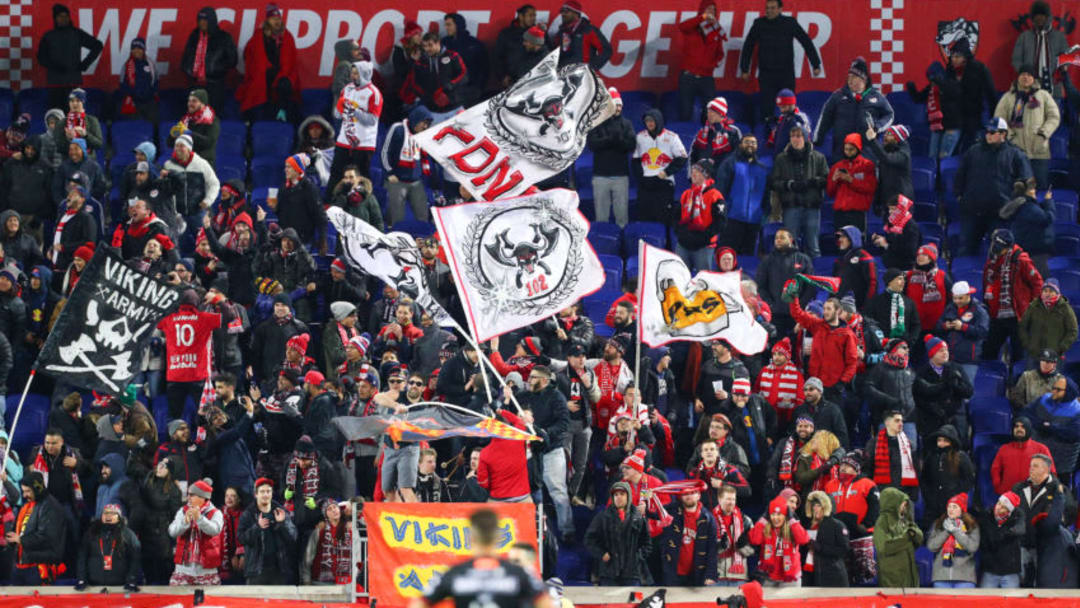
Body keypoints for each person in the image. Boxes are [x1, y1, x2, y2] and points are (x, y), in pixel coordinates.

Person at [413, 509, 549, 608]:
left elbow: (419, 603)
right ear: (498, 537)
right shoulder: (519, 573)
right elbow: (545, 603)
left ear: (470, 538)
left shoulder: (454, 573)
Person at [954, 119, 1033, 256]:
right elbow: (960, 175)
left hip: (999, 214)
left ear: (1003, 134)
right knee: (965, 249)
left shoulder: (1015, 154)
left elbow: (1027, 180)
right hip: (973, 211)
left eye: (992, 132)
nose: (988, 135)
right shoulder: (974, 151)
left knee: (999, 255)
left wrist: (1012, 206)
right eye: (987, 132)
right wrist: (960, 196)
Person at [738, 0, 822, 122]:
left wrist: (815, 64)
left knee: (790, 110)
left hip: (786, 74)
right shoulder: (759, 24)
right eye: (767, 8)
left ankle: (789, 136)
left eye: (772, 8)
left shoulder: (789, 23)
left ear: (780, 9)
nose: (769, 11)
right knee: (766, 111)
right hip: (767, 75)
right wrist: (744, 69)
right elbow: (748, 46)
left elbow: (806, 41)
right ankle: (767, 137)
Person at [518, 366, 574, 542]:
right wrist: (505, 396)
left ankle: (567, 530)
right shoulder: (525, 395)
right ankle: (530, 529)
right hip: (530, 453)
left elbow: (564, 423)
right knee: (529, 492)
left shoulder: (557, 397)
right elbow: (510, 405)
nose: (529, 380)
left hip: (551, 451)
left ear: (544, 381)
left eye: (533, 377)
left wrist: (544, 434)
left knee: (558, 491)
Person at [1014, 454, 1077, 588]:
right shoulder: (1019, 488)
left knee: (1042, 585)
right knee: (1021, 585)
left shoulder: (1059, 489)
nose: (1031, 469)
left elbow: (1070, 511)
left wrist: (1056, 522)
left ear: (1046, 470)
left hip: (1046, 548)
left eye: (1035, 466)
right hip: (1022, 544)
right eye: (1030, 466)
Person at [994, 65, 1060, 189]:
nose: (1026, 77)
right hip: (1015, 151)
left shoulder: (1043, 95)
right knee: (1016, 191)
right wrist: (1010, 136)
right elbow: (999, 119)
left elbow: (1054, 117)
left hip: (1039, 153)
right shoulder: (1008, 97)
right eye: (1023, 74)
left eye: (1029, 75)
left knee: (1040, 189)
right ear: (1018, 77)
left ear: (1034, 79)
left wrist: (1043, 134)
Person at [814, 58, 894, 160]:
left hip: (867, 155)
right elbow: (824, 119)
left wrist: (877, 128)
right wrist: (817, 141)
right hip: (841, 153)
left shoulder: (877, 96)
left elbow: (889, 115)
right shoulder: (837, 96)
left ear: (864, 79)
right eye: (849, 76)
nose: (850, 80)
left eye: (854, 77)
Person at [982, 228, 1043, 361]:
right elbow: (987, 281)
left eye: (1001, 248)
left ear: (1008, 247)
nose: (997, 250)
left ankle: (1015, 380)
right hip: (997, 314)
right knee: (988, 351)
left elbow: (1037, 283)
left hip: (1017, 316)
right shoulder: (991, 259)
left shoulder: (1021, 260)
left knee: (1018, 355)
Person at [770, 126, 829, 258]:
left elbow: (827, 179)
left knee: (813, 246)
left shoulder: (819, 157)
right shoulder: (781, 158)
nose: (795, 139)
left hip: (812, 207)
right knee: (790, 245)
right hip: (791, 206)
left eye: (799, 136)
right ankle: (790, 275)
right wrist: (790, 185)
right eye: (792, 136)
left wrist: (813, 182)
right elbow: (774, 182)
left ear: (806, 138)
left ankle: (814, 276)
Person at [786, 294, 857, 402]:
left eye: (829, 309)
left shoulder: (847, 335)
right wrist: (794, 297)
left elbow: (852, 362)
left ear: (838, 311)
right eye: (824, 309)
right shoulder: (818, 325)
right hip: (814, 384)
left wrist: (841, 383)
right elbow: (798, 314)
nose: (825, 312)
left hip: (833, 389)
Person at [237, 4, 300, 122]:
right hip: (265, 75)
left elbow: (291, 62)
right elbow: (248, 54)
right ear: (267, 20)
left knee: (285, 83)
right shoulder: (258, 37)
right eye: (273, 18)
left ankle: (283, 113)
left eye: (278, 18)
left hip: (282, 77)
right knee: (256, 86)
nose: (277, 21)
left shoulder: (287, 37)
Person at [582, 480, 650, 585]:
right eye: (615, 494)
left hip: (632, 573)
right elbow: (589, 540)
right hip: (608, 572)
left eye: (622, 494)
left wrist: (637, 556)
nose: (618, 497)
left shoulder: (638, 517)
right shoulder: (602, 517)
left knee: (632, 601)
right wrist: (601, 553)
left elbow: (647, 543)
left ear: (628, 496)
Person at [36, 4, 104, 108]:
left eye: (66, 16)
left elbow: (98, 45)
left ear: (69, 18)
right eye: (60, 16)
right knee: (57, 118)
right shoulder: (48, 36)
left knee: (74, 119)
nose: (63, 19)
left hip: (73, 84)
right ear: (55, 19)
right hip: (55, 85)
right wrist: (55, 66)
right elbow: (41, 58)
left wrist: (85, 64)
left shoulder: (76, 34)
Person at [587, 88, 636, 227]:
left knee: (622, 218)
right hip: (600, 176)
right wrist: (611, 140)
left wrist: (616, 141)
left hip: (620, 177)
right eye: (616, 105)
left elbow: (631, 145)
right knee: (601, 217)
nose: (618, 108)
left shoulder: (626, 124)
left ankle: (621, 245)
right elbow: (592, 144)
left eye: (620, 105)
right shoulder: (597, 122)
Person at [330, 60, 382, 189]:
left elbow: (372, 120)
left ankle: (362, 205)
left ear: (365, 74)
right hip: (344, 140)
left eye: (356, 74)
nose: (353, 76)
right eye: (352, 73)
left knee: (361, 177)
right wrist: (339, 109)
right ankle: (331, 203)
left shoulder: (373, 93)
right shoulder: (347, 89)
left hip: (364, 143)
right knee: (336, 174)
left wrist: (353, 111)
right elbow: (337, 114)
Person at [9, 472, 67, 585]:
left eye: (28, 491)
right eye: (23, 491)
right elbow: (20, 531)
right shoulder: (28, 505)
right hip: (21, 565)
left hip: (39, 567)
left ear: (37, 488)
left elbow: (47, 537)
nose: (24, 495)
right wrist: (10, 539)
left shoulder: (51, 506)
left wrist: (21, 540)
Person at [237, 478, 297, 584]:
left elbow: (293, 538)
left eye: (268, 491)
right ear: (256, 494)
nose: (266, 494)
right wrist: (257, 527)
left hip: (279, 569)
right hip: (256, 570)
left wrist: (281, 524)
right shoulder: (248, 514)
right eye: (262, 492)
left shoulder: (281, 512)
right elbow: (241, 538)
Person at [380, 105, 434, 225]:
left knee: (423, 216)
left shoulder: (423, 135)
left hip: (415, 181)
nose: (425, 127)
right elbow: (384, 152)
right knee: (396, 219)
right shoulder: (398, 129)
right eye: (423, 123)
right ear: (416, 119)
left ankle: (422, 239)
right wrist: (389, 173)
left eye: (428, 124)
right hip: (397, 180)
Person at [715, 134, 768, 255]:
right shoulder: (730, 163)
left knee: (747, 258)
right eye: (747, 142)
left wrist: (763, 212)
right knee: (727, 255)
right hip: (732, 219)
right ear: (740, 145)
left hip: (754, 221)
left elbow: (766, 194)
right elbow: (720, 190)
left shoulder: (762, 169)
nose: (750, 145)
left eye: (753, 142)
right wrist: (725, 211)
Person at [634, 109, 688, 225]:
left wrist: (666, 172)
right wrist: (641, 178)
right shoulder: (639, 137)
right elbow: (635, 161)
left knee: (664, 218)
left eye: (652, 120)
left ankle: (665, 242)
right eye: (647, 120)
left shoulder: (672, 137)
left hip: (664, 182)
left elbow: (682, 158)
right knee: (644, 217)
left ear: (658, 121)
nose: (650, 123)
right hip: (646, 183)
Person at [914, 337, 974, 440]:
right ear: (932, 354)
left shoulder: (956, 368)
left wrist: (955, 385)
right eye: (941, 351)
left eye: (946, 350)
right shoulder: (922, 373)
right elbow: (919, 398)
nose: (945, 353)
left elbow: (969, 392)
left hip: (955, 418)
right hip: (932, 421)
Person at [180, 7, 238, 112]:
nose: (202, 23)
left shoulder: (224, 37)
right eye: (200, 20)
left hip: (215, 86)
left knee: (213, 119)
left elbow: (232, 60)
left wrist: (216, 70)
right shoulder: (194, 36)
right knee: (194, 119)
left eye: (205, 20)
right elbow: (186, 57)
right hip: (195, 85)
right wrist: (188, 70)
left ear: (212, 21)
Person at [1023, 375, 1080, 482]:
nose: (1053, 391)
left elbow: (1075, 434)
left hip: (1061, 464)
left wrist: (1051, 428)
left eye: (1058, 390)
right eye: (1053, 388)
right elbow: (1026, 413)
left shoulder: (1077, 411)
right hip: (1036, 456)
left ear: (1068, 392)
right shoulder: (1044, 399)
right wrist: (1039, 424)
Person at [659, 482, 718, 585]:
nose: (689, 496)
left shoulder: (708, 519)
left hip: (696, 574)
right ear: (681, 497)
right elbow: (652, 511)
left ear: (699, 495)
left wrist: (710, 574)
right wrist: (645, 496)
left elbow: (712, 548)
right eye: (685, 494)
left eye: (692, 493)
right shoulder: (671, 511)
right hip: (672, 573)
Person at [168, 479, 224, 585]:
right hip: (183, 570)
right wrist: (184, 522)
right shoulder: (183, 511)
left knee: (209, 601)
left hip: (207, 571)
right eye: (188, 494)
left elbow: (215, 530)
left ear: (203, 497)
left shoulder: (216, 513)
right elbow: (172, 531)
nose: (188, 497)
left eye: (192, 495)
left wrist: (199, 519)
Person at [676, 1, 726, 121]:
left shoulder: (716, 31)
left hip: (706, 77)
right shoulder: (692, 27)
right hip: (688, 76)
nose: (711, 12)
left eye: (713, 10)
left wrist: (714, 64)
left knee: (710, 112)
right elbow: (682, 26)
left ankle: (707, 137)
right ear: (702, 11)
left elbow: (720, 53)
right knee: (685, 111)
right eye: (708, 9)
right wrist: (702, 17)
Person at [75, 503, 141, 591]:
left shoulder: (128, 534)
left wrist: (132, 579)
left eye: (112, 513)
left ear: (119, 517)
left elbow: (135, 559)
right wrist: (81, 579)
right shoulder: (91, 533)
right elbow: (82, 557)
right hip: (93, 587)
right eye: (105, 513)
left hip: (120, 587)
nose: (108, 516)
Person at [674, 159, 724, 272]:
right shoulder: (686, 194)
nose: (693, 173)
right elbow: (676, 218)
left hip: (704, 246)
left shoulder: (715, 196)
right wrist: (682, 234)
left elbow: (720, 223)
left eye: (697, 171)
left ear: (706, 175)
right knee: (679, 276)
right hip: (683, 244)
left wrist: (702, 238)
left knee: (704, 280)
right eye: (692, 170)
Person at [748, 494, 809, 587]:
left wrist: (791, 519)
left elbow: (804, 539)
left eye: (779, 514)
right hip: (769, 578)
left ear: (785, 515)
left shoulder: (793, 526)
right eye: (773, 514)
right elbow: (755, 540)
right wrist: (763, 518)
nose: (775, 518)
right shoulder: (765, 527)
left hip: (790, 579)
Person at [921, 425, 974, 529]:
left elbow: (968, 479)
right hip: (932, 504)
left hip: (953, 504)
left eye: (945, 440)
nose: (941, 443)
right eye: (939, 440)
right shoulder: (931, 456)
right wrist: (929, 496)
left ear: (952, 442)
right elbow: (924, 479)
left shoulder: (961, 457)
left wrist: (956, 496)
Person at [400, 33, 467, 115]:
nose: (427, 48)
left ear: (438, 43)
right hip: (433, 109)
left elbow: (464, 75)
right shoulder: (421, 62)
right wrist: (430, 98)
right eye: (424, 46)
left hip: (455, 105)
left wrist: (449, 88)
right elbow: (415, 82)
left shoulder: (452, 55)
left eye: (430, 45)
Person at [1012, 1, 1068, 97]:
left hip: (1054, 86)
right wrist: (1026, 75)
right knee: (1031, 112)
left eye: (1042, 15)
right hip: (1029, 87)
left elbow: (1066, 59)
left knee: (1053, 112)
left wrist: (1059, 73)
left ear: (1048, 17)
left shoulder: (1059, 37)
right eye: (1036, 16)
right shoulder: (1024, 37)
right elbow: (1016, 60)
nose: (1039, 18)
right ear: (1032, 18)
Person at [937, 281, 989, 385]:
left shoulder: (979, 310)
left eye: (960, 298)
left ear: (968, 295)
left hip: (969, 360)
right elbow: (938, 326)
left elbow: (983, 332)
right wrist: (945, 326)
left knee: (965, 391)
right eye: (955, 298)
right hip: (950, 358)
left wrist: (963, 327)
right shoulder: (950, 308)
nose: (957, 301)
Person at [1000, 179, 1055, 277]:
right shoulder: (1029, 207)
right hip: (1036, 253)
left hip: (1025, 250)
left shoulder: (1020, 205)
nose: (1035, 191)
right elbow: (1048, 219)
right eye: (1033, 189)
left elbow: (1036, 214)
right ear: (1029, 191)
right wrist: (1048, 202)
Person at [825, 134, 878, 233]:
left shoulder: (867, 165)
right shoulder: (837, 166)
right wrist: (834, 180)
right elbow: (830, 192)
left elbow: (870, 187)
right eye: (846, 149)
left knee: (858, 243)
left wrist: (851, 180)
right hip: (840, 213)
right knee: (840, 244)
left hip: (857, 213)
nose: (848, 152)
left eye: (851, 149)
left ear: (858, 148)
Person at [991, 416, 1054, 497]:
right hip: (1008, 497)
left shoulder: (1041, 449)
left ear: (1028, 429)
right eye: (1016, 426)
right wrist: (998, 488)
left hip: (1034, 497)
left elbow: (1051, 472)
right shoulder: (1004, 449)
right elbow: (995, 470)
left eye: (1023, 426)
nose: (1019, 429)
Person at [927, 493, 980, 588]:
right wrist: (947, 531)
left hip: (964, 578)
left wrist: (956, 531)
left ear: (962, 510)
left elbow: (972, 547)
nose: (951, 509)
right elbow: (932, 546)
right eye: (949, 507)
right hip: (941, 577)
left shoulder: (971, 525)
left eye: (955, 507)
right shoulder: (939, 524)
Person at [1019, 278, 1077, 365]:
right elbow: (1022, 326)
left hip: (1055, 356)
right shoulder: (1033, 307)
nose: (1047, 294)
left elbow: (1073, 331)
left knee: (1054, 379)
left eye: (1051, 291)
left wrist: (1061, 347)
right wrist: (1028, 344)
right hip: (1034, 355)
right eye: (1045, 291)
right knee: (1031, 378)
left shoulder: (1065, 308)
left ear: (1057, 292)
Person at [872, 487, 922, 588]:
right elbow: (884, 547)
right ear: (893, 502)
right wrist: (907, 538)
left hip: (910, 575)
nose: (904, 506)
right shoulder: (882, 522)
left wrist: (913, 534)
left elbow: (918, 537)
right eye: (902, 503)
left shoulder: (904, 519)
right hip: (892, 578)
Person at [863, 411, 918, 500]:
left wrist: (913, 496)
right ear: (887, 422)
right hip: (882, 495)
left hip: (904, 495)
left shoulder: (908, 445)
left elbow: (916, 471)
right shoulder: (874, 444)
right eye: (897, 421)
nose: (901, 423)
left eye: (901, 421)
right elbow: (867, 468)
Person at [977, 491, 1025, 588]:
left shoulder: (1017, 517)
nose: (998, 508)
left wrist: (1003, 532)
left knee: (1012, 602)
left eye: (1003, 507)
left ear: (1009, 511)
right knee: (985, 601)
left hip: (1010, 571)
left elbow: (1021, 530)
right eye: (999, 503)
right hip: (990, 569)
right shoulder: (987, 515)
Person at [802, 490, 849, 588]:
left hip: (833, 577)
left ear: (826, 506)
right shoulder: (808, 525)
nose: (815, 508)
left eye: (818, 505)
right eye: (813, 505)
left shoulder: (837, 525)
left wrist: (821, 548)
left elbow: (843, 550)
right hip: (811, 575)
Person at [755, 338, 804, 428]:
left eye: (780, 354)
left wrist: (791, 407)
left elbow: (801, 400)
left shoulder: (796, 375)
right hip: (765, 417)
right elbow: (756, 391)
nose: (776, 357)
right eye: (774, 354)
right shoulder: (764, 371)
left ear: (787, 356)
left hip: (786, 419)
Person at [866, 125, 914, 215]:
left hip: (901, 200)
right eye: (885, 133)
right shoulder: (886, 151)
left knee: (900, 228)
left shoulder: (904, 154)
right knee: (888, 228)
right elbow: (881, 180)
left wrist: (873, 140)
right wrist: (877, 201)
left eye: (889, 134)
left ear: (897, 138)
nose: (884, 136)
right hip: (887, 200)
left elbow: (888, 159)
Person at [866, 270, 921, 347]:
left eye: (903, 279)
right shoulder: (876, 301)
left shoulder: (909, 302)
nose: (903, 282)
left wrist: (910, 341)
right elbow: (870, 323)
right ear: (889, 281)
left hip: (904, 347)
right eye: (899, 279)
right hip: (882, 346)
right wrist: (879, 341)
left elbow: (916, 325)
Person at [442, 13, 488, 104]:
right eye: (445, 25)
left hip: (471, 90)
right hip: (449, 92)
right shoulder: (443, 43)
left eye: (449, 25)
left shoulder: (474, 44)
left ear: (458, 25)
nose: (446, 28)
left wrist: (478, 87)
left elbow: (484, 67)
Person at [555, 1, 612, 71]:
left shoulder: (588, 30)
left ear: (576, 13)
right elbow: (554, 53)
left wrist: (591, 68)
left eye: (566, 11)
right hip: (563, 75)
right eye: (562, 11)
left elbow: (606, 50)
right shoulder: (561, 32)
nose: (562, 14)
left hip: (582, 77)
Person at [831, 226, 878, 309]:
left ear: (852, 238)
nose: (840, 240)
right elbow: (834, 284)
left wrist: (867, 308)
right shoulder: (839, 260)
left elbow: (872, 284)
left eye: (843, 236)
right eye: (839, 237)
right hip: (840, 308)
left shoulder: (865, 257)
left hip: (860, 308)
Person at [115, 37, 158, 123]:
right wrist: (133, 95)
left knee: (153, 125)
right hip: (133, 103)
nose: (136, 51)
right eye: (134, 48)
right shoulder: (127, 65)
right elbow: (122, 84)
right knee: (135, 126)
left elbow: (155, 81)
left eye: (139, 48)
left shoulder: (150, 64)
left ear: (144, 50)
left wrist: (149, 94)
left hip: (149, 102)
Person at [872, 196, 921, 271]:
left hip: (903, 269)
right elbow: (892, 241)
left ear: (902, 209)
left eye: (893, 209)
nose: (890, 212)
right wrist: (881, 240)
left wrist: (886, 245)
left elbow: (910, 252)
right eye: (889, 209)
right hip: (891, 266)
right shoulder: (893, 222)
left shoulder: (910, 226)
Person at [691, 96, 742, 167]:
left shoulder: (733, 131)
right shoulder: (702, 132)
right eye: (708, 112)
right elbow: (693, 156)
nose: (708, 115)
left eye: (712, 112)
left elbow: (738, 155)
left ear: (721, 114)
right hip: (703, 175)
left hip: (724, 174)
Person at [495, 5, 537, 84]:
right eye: (530, 15)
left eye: (534, 15)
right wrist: (503, 76)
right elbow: (499, 57)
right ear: (521, 16)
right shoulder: (506, 34)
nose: (533, 18)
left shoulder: (540, 33)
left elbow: (547, 53)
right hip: (513, 80)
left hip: (534, 79)